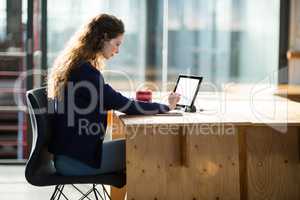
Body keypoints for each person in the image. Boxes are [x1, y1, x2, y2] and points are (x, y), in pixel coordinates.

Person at [47, 14, 180, 176]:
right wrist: (166, 107)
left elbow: (113, 98)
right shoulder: (85, 72)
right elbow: (125, 105)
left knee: (141, 146)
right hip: (76, 162)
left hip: (70, 155)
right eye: (117, 44)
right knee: (148, 148)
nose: (117, 51)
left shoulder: (77, 66)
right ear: (104, 38)